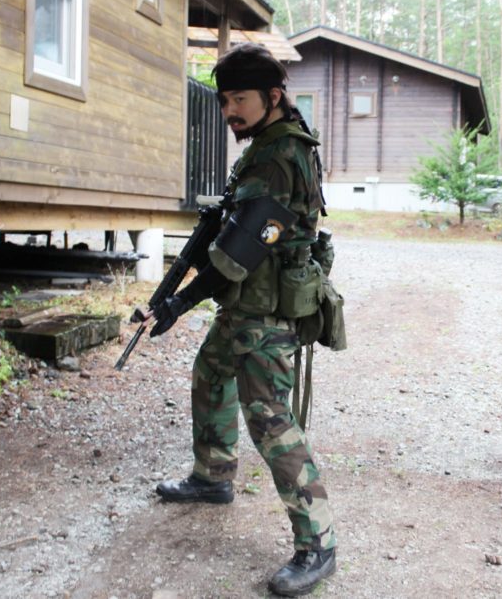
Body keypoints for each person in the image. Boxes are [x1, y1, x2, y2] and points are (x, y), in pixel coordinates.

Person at [142, 43, 337, 596]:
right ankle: (212, 478)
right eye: (225, 99)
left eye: (240, 99)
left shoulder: (278, 157)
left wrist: (177, 303)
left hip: (266, 311)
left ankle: (317, 543)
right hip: (245, 305)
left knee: (271, 422)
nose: (230, 110)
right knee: (210, 375)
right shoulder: (268, 144)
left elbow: (235, 257)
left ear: (273, 97)